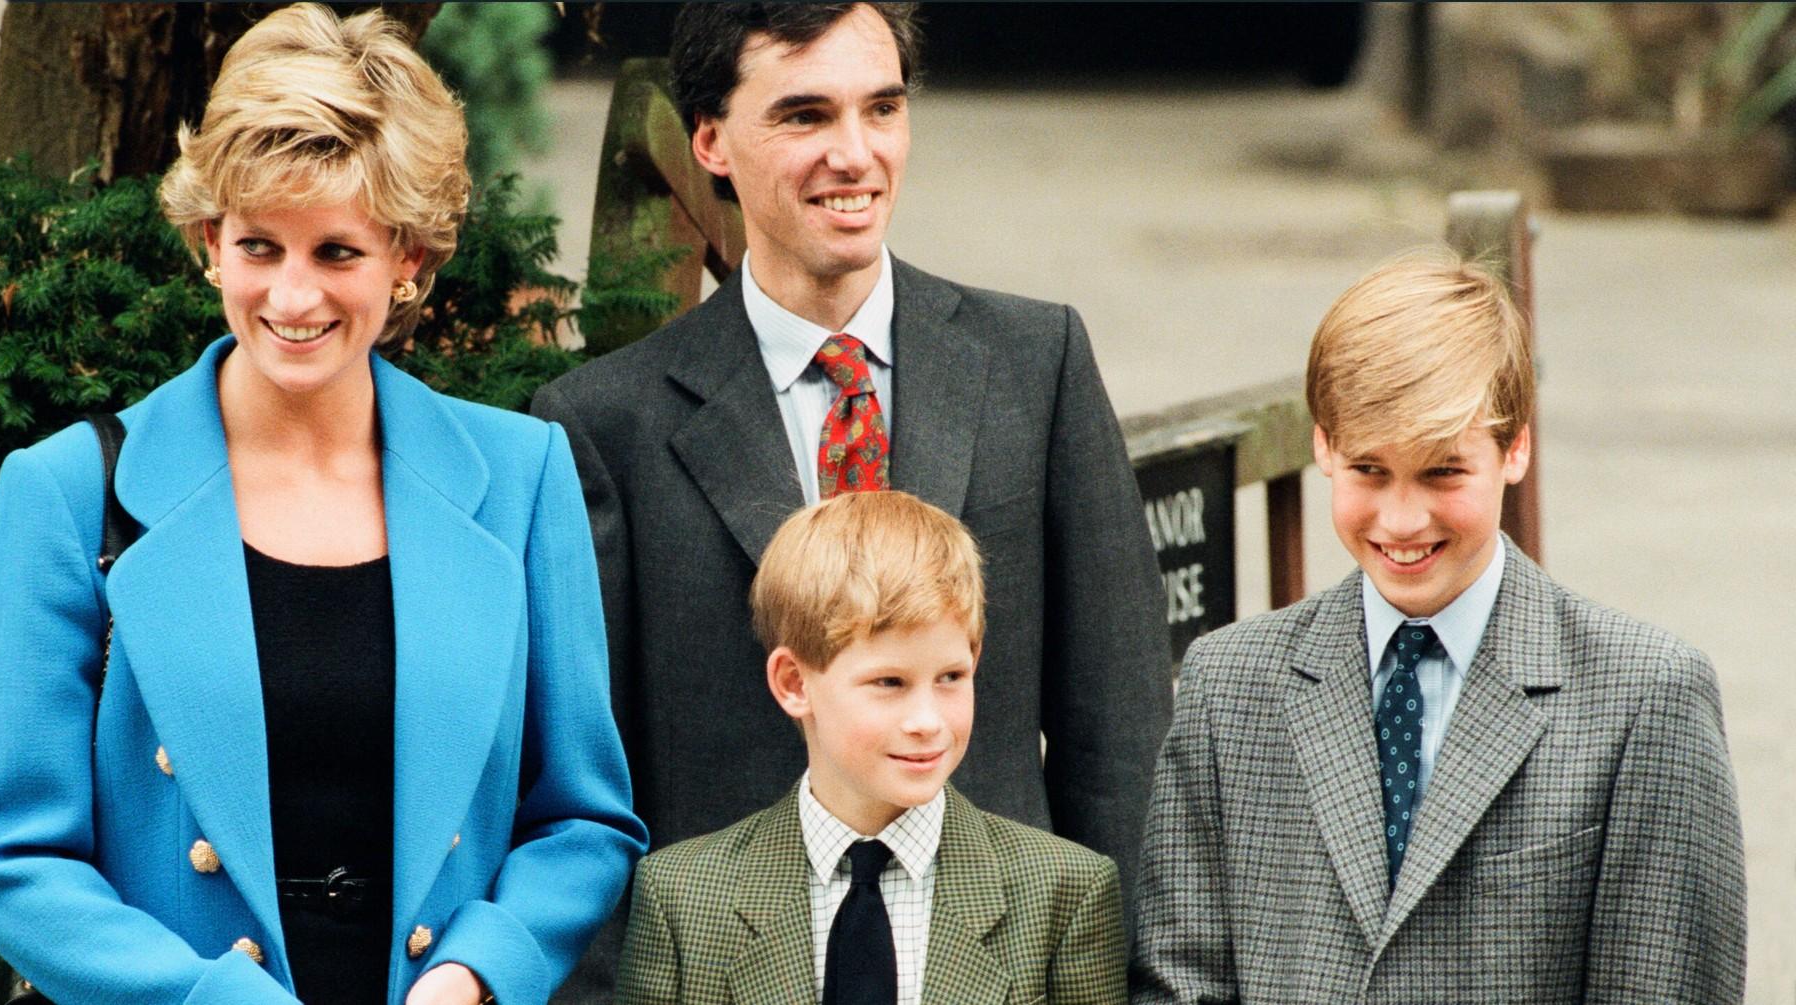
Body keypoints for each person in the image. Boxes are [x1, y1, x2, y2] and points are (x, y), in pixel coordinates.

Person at [0, 7, 646, 1004]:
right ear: (207, 241)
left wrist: (479, 970)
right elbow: (8, 860)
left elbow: (581, 822)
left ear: (408, 253)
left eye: (338, 252)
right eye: (260, 246)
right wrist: (202, 995)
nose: (293, 297)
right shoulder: (68, 493)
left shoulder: (523, 478)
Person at [528, 6, 1168, 991]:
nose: (855, 154)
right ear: (711, 141)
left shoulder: (1034, 367)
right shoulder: (605, 424)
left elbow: (1117, 732)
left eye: (882, 108)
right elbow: (591, 791)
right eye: (805, 116)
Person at [1129, 255, 1748, 1003]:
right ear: (1322, 445)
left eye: (1443, 472)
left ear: (1515, 447)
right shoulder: (1227, 684)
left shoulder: (1648, 695)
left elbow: (1665, 984)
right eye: (1369, 469)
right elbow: (1179, 980)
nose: (1401, 519)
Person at [616, 490, 1126, 1005]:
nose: (928, 721)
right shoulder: (684, 898)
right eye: (889, 682)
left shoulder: (1065, 892)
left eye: (951, 676)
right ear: (794, 682)